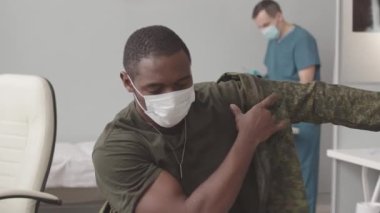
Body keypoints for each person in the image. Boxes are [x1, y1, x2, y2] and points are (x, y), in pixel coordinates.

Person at [92, 25, 380, 213]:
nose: (172, 95)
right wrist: (248, 139)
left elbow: (319, 100)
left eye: (182, 83)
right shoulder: (117, 148)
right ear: (128, 83)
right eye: (155, 89)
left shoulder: (224, 100)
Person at [252, 1, 321, 212]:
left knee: (301, 176)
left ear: (279, 16)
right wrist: (259, 80)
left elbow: (306, 86)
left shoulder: (303, 40)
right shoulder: (274, 42)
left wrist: (292, 115)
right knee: (281, 179)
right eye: (260, 27)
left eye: (266, 24)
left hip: (302, 119)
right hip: (280, 117)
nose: (264, 30)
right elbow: (275, 77)